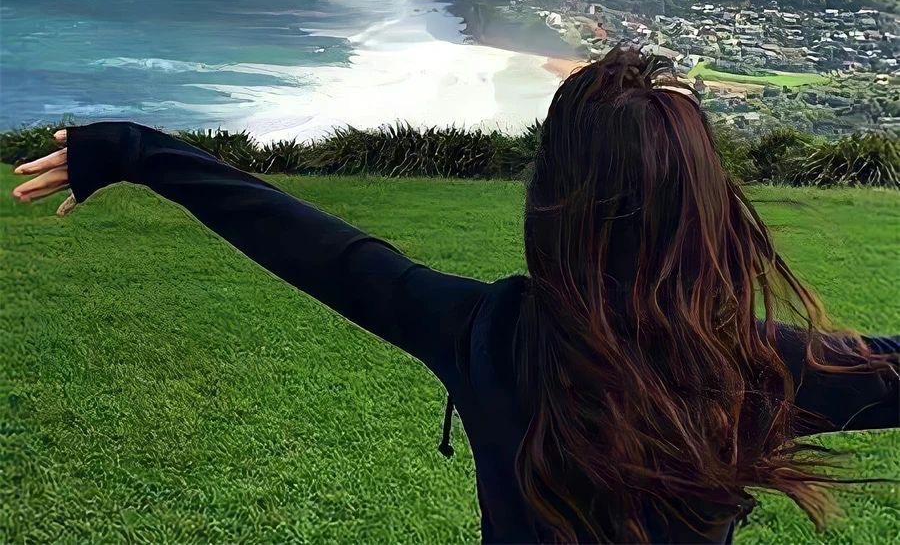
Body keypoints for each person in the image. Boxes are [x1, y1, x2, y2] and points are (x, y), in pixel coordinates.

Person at [12, 47, 899, 544]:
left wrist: (135, 151)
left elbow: (313, 244)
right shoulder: (764, 367)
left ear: (550, 198)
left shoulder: (490, 335)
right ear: (706, 205)